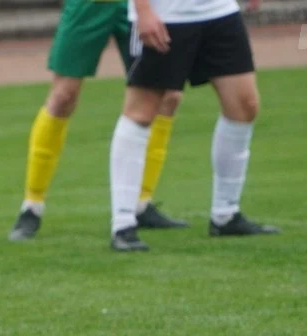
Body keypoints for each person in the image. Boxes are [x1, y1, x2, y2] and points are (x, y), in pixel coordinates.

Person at [9, 0, 191, 245]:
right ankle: (32, 205)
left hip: (138, 4)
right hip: (89, 5)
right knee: (64, 96)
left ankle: (142, 203)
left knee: (168, 97)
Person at [108, 0, 279, 252]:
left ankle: (226, 214)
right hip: (165, 14)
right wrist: (143, 11)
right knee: (141, 112)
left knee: (244, 106)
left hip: (218, 10)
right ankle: (123, 223)